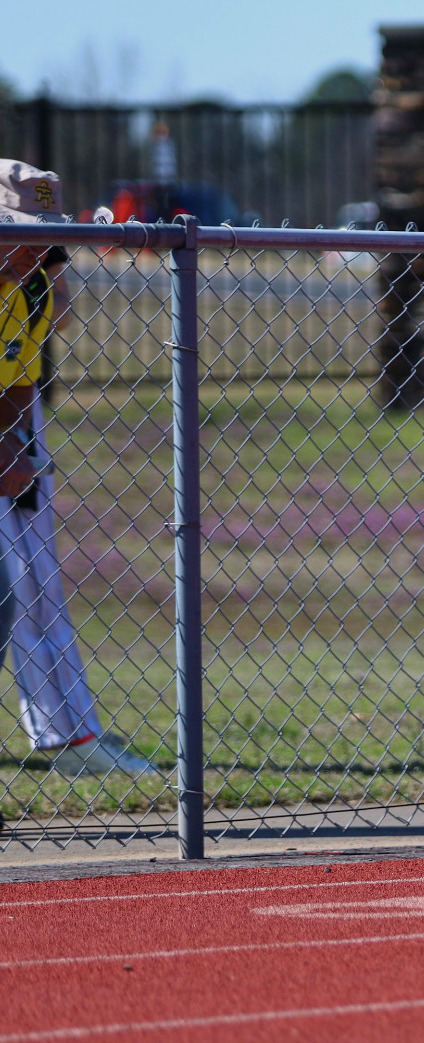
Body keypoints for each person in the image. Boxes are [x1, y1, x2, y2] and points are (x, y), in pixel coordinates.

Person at [0, 159, 155, 777]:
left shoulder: (33, 284)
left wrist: (14, 445)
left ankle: (69, 737)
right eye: (23, 231)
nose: (42, 248)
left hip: (11, 426)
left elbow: (21, 376)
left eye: (48, 234)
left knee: (32, 580)